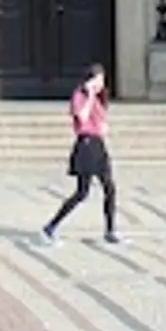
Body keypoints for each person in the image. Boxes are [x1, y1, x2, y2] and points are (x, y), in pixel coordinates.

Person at [40, 61, 119, 247]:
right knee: (82, 192)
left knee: (110, 187)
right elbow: (81, 117)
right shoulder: (80, 95)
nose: (101, 84)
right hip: (85, 145)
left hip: (99, 144)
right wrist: (90, 95)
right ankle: (51, 226)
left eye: (102, 80)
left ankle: (110, 230)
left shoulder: (101, 97)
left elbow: (101, 119)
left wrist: (104, 126)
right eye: (98, 80)